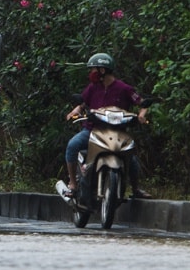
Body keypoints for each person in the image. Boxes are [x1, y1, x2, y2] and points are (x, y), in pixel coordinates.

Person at [62, 53, 149, 196]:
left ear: (102, 70)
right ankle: (73, 183)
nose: (91, 73)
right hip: (92, 130)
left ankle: (135, 189)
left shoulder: (123, 88)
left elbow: (142, 103)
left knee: (131, 157)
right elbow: (82, 103)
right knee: (72, 145)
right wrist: (74, 111)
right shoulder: (93, 87)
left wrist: (141, 116)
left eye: (93, 70)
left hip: (118, 133)